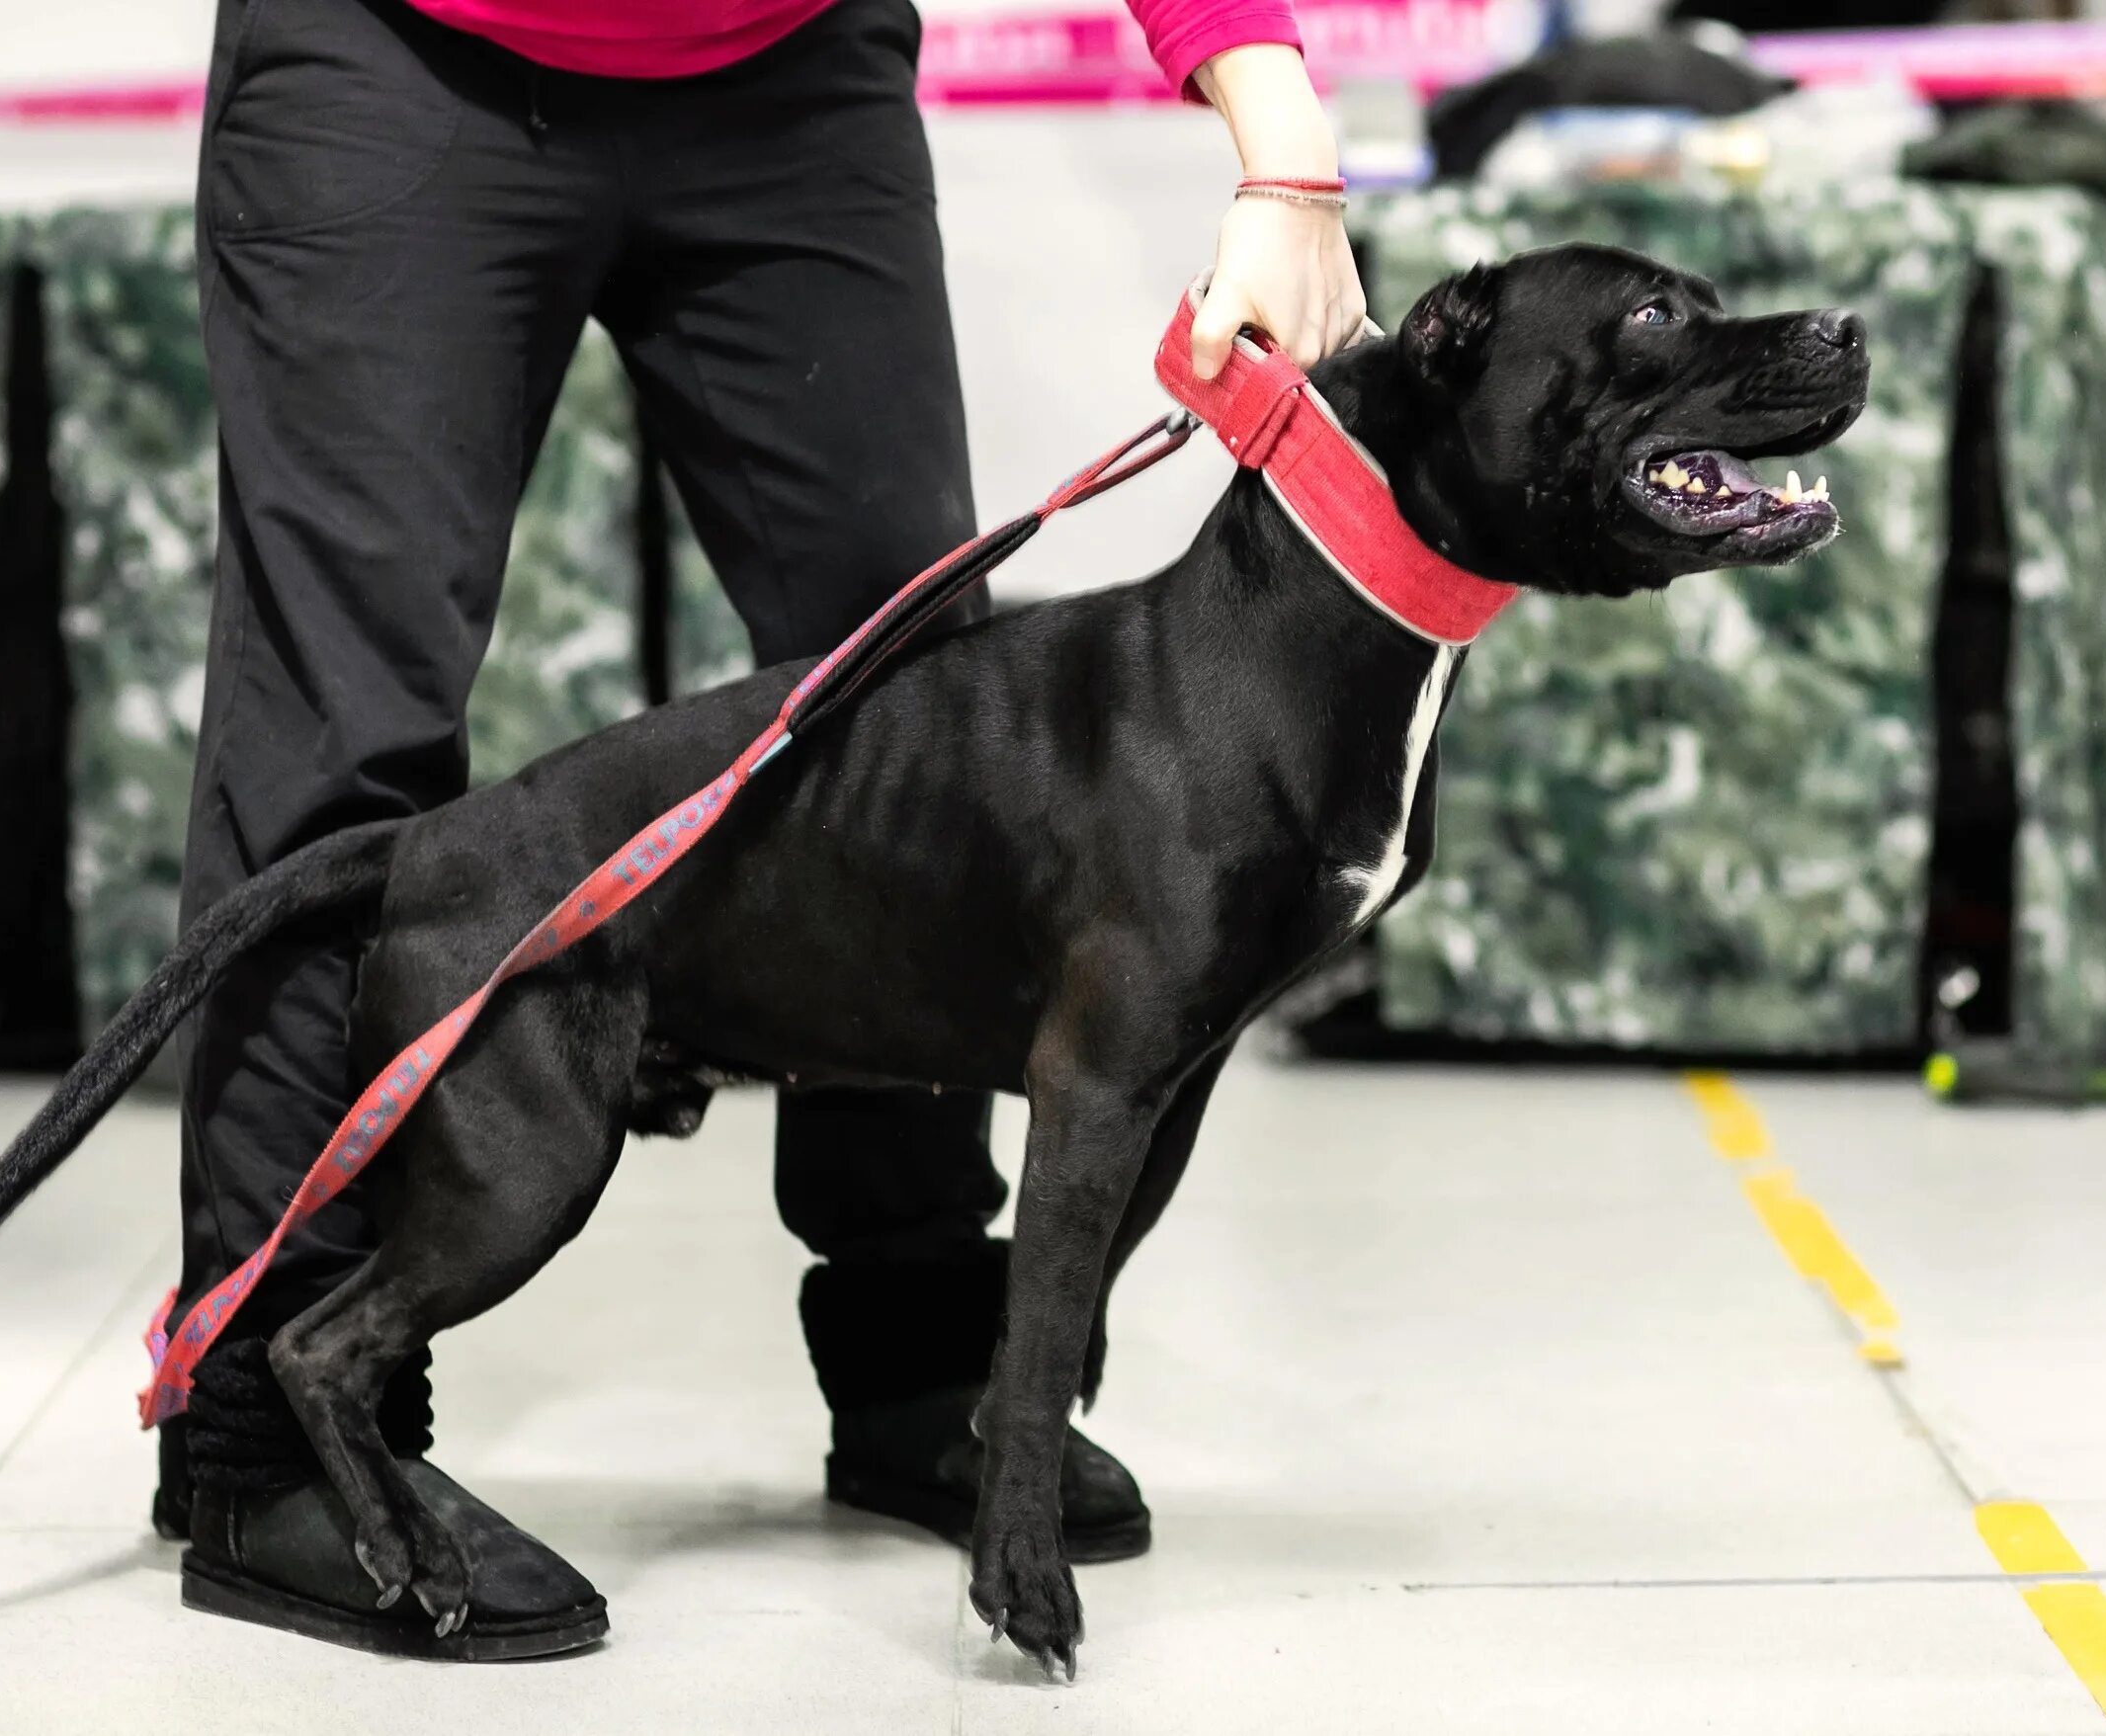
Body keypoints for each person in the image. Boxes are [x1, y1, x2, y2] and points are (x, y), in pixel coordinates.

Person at [159, 0, 1364, 1660]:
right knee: (343, 737)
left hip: (787, 70)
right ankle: (269, 1440)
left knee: (915, 696)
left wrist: (1281, 141)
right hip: (397, 58)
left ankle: (915, 1354)